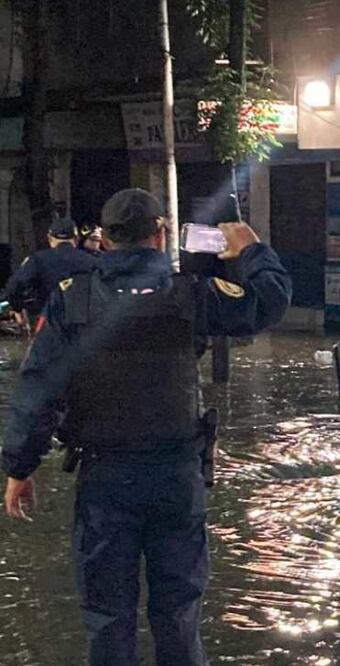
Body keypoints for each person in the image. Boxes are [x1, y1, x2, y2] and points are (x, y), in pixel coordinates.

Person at [2, 188, 291, 665]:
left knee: (107, 617)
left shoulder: (72, 301)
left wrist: (19, 467)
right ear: (160, 235)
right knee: (178, 615)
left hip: (105, 482)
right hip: (176, 478)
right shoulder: (190, 293)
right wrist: (252, 248)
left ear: (105, 238)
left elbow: (38, 390)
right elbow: (270, 303)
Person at [3, 216, 98, 330]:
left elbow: (14, 285)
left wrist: (17, 307)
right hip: (83, 327)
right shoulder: (92, 262)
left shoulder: (38, 260)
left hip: (48, 325)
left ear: (49, 238)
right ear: (76, 239)